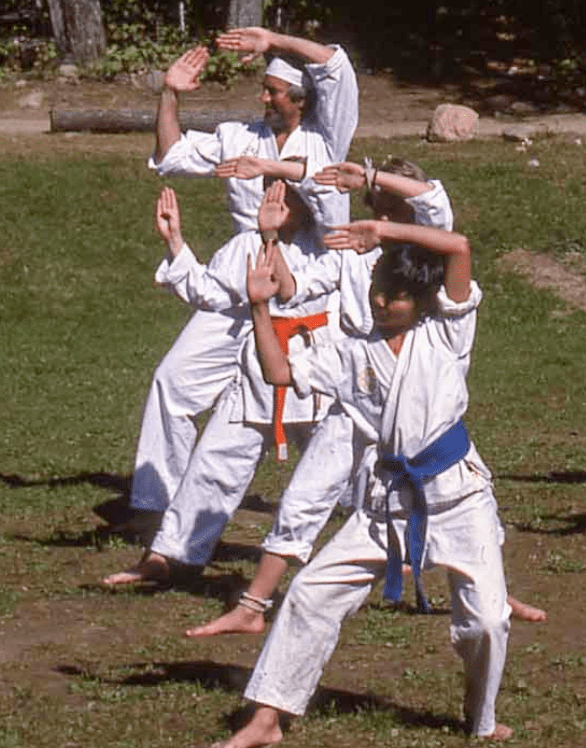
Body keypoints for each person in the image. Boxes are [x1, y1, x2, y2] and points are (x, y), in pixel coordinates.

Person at [184, 160, 544, 635]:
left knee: (455, 494)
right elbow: (293, 289)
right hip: (357, 384)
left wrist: (377, 187)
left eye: (396, 207)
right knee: (306, 497)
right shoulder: (352, 250)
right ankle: (253, 605)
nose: (384, 213)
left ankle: (492, 588)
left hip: (420, 385)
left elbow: (438, 208)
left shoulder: (427, 256)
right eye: (380, 207)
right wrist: (271, 240)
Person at [213, 220, 513, 748]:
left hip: (460, 499)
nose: (380, 303)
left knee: (487, 622)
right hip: (388, 506)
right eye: (378, 290)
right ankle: (266, 719)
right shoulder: (353, 351)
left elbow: (460, 246)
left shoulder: (448, 331)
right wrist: (260, 306)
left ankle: (480, 716)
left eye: (395, 297)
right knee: (308, 593)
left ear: (420, 300)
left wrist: (382, 228)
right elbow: (279, 372)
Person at [131, 30, 358, 517]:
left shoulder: (326, 139)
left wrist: (274, 38)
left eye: (273, 91)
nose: (264, 97)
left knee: (316, 412)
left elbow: (335, 63)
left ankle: (363, 503)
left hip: (303, 290)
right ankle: (155, 507)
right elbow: (173, 155)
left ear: (300, 99)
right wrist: (169, 93)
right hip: (235, 287)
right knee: (172, 382)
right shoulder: (241, 136)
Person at [105, 180, 342, 586]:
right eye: (269, 191)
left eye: (286, 197)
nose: (274, 201)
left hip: (315, 378)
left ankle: (407, 542)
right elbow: (208, 293)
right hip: (259, 374)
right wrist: (176, 242)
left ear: (308, 206)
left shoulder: (332, 249)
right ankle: (169, 554)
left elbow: (289, 292)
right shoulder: (244, 246)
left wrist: (271, 236)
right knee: (213, 463)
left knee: (352, 474)